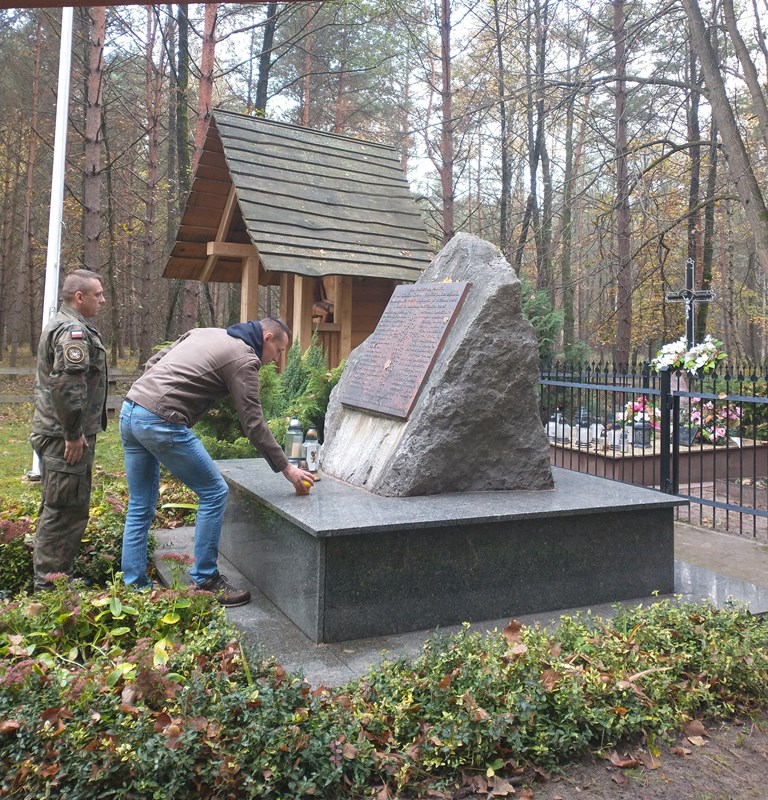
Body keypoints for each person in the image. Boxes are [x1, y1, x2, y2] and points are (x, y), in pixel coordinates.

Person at [119, 317, 314, 606]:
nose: (276, 359)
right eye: (279, 351)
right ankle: (206, 580)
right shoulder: (245, 358)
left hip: (131, 410)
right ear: (268, 338)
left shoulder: (203, 332)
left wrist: (151, 399)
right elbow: (253, 423)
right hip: (161, 421)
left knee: (140, 504)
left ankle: (133, 587)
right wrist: (286, 467)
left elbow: (153, 363)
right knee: (214, 491)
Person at [30, 269, 108, 591]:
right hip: (64, 437)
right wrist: (73, 434)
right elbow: (66, 386)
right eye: (98, 294)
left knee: (60, 506)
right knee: (64, 512)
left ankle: (53, 580)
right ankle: (50, 591)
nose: (102, 300)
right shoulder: (72, 331)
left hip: (57, 432)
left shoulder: (68, 325)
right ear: (79, 297)